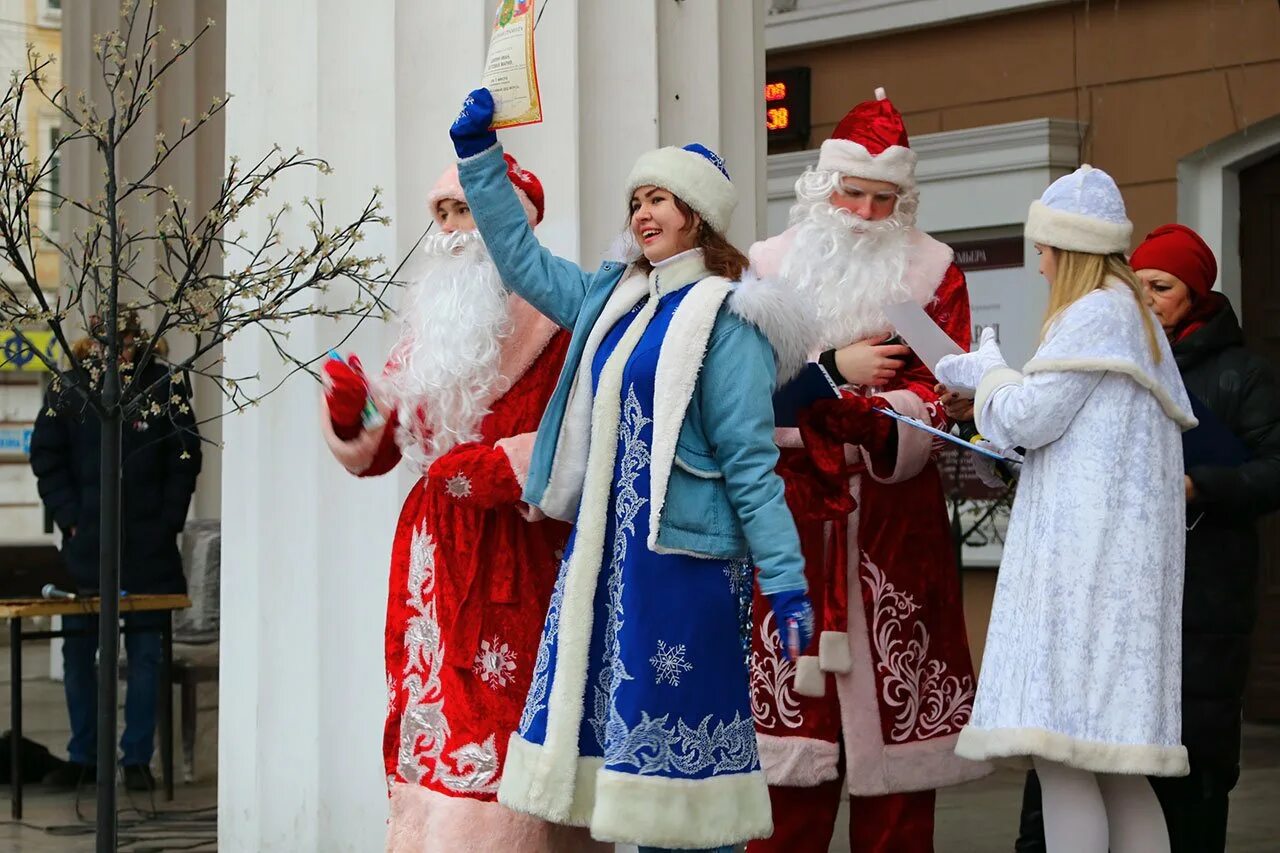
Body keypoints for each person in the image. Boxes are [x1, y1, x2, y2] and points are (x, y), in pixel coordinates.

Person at [450, 88, 813, 853]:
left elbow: (751, 464)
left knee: (685, 797)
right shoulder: (611, 299)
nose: (643, 213)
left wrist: (785, 578)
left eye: (661, 200)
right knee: (626, 789)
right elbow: (519, 258)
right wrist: (480, 159)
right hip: (607, 572)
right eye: (637, 199)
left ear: (697, 216)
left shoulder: (727, 319)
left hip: (684, 571)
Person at [321, 158, 602, 852]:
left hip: (522, 558)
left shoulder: (562, 319)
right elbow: (387, 448)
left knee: (511, 736)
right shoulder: (432, 330)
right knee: (435, 731)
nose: (450, 231)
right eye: (443, 214)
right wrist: (355, 414)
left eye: (466, 213)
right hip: (433, 566)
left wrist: (493, 469)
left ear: (515, 221)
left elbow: (582, 438)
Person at [745, 87, 990, 853]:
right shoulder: (767, 266)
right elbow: (740, 386)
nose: (864, 213)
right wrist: (832, 369)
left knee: (900, 791)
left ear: (903, 200)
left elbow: (941, 388)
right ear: (823, 189)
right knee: (787, 778)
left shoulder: (934, 270)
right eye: (852, 193)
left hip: (892, 522)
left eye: (884, 200)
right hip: (790, 515)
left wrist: (885, 421)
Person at [933, 165, 1196, 853]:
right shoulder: (1133, 319)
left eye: (1044, 250)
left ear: (1069, 249)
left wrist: (985, 370)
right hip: (1117, 577)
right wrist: (999, 383)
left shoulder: (1094, 313)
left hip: (1081, 579)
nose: (1041, 266)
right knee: (1117, 771)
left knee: (1066, 757)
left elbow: (1025, 418)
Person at [1007, 224, 1280, 853]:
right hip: (1107, 589)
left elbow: (1274, 469)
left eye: (1163, 287)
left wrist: (1198, 484)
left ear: (1198, 296)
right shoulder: (1106, 352)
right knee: (1079, 753)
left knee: (1181, 767)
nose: (1147, 298)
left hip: (1202, 594)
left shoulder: (1241, 375)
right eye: (1141, 284)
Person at [29, 314, 202, 791]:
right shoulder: (69, 388)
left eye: (125, 343)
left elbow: (185, 461)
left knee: (147, 654)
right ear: (93, 343)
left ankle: (136, 759)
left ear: (139, 342)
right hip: (86, 549)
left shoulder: (164, 386)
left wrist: (167, 522)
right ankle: (85, 756)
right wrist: (71, 517)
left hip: (150, 549)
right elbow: (46, 458)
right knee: (79, 652)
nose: (117, 351)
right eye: (109, 343)